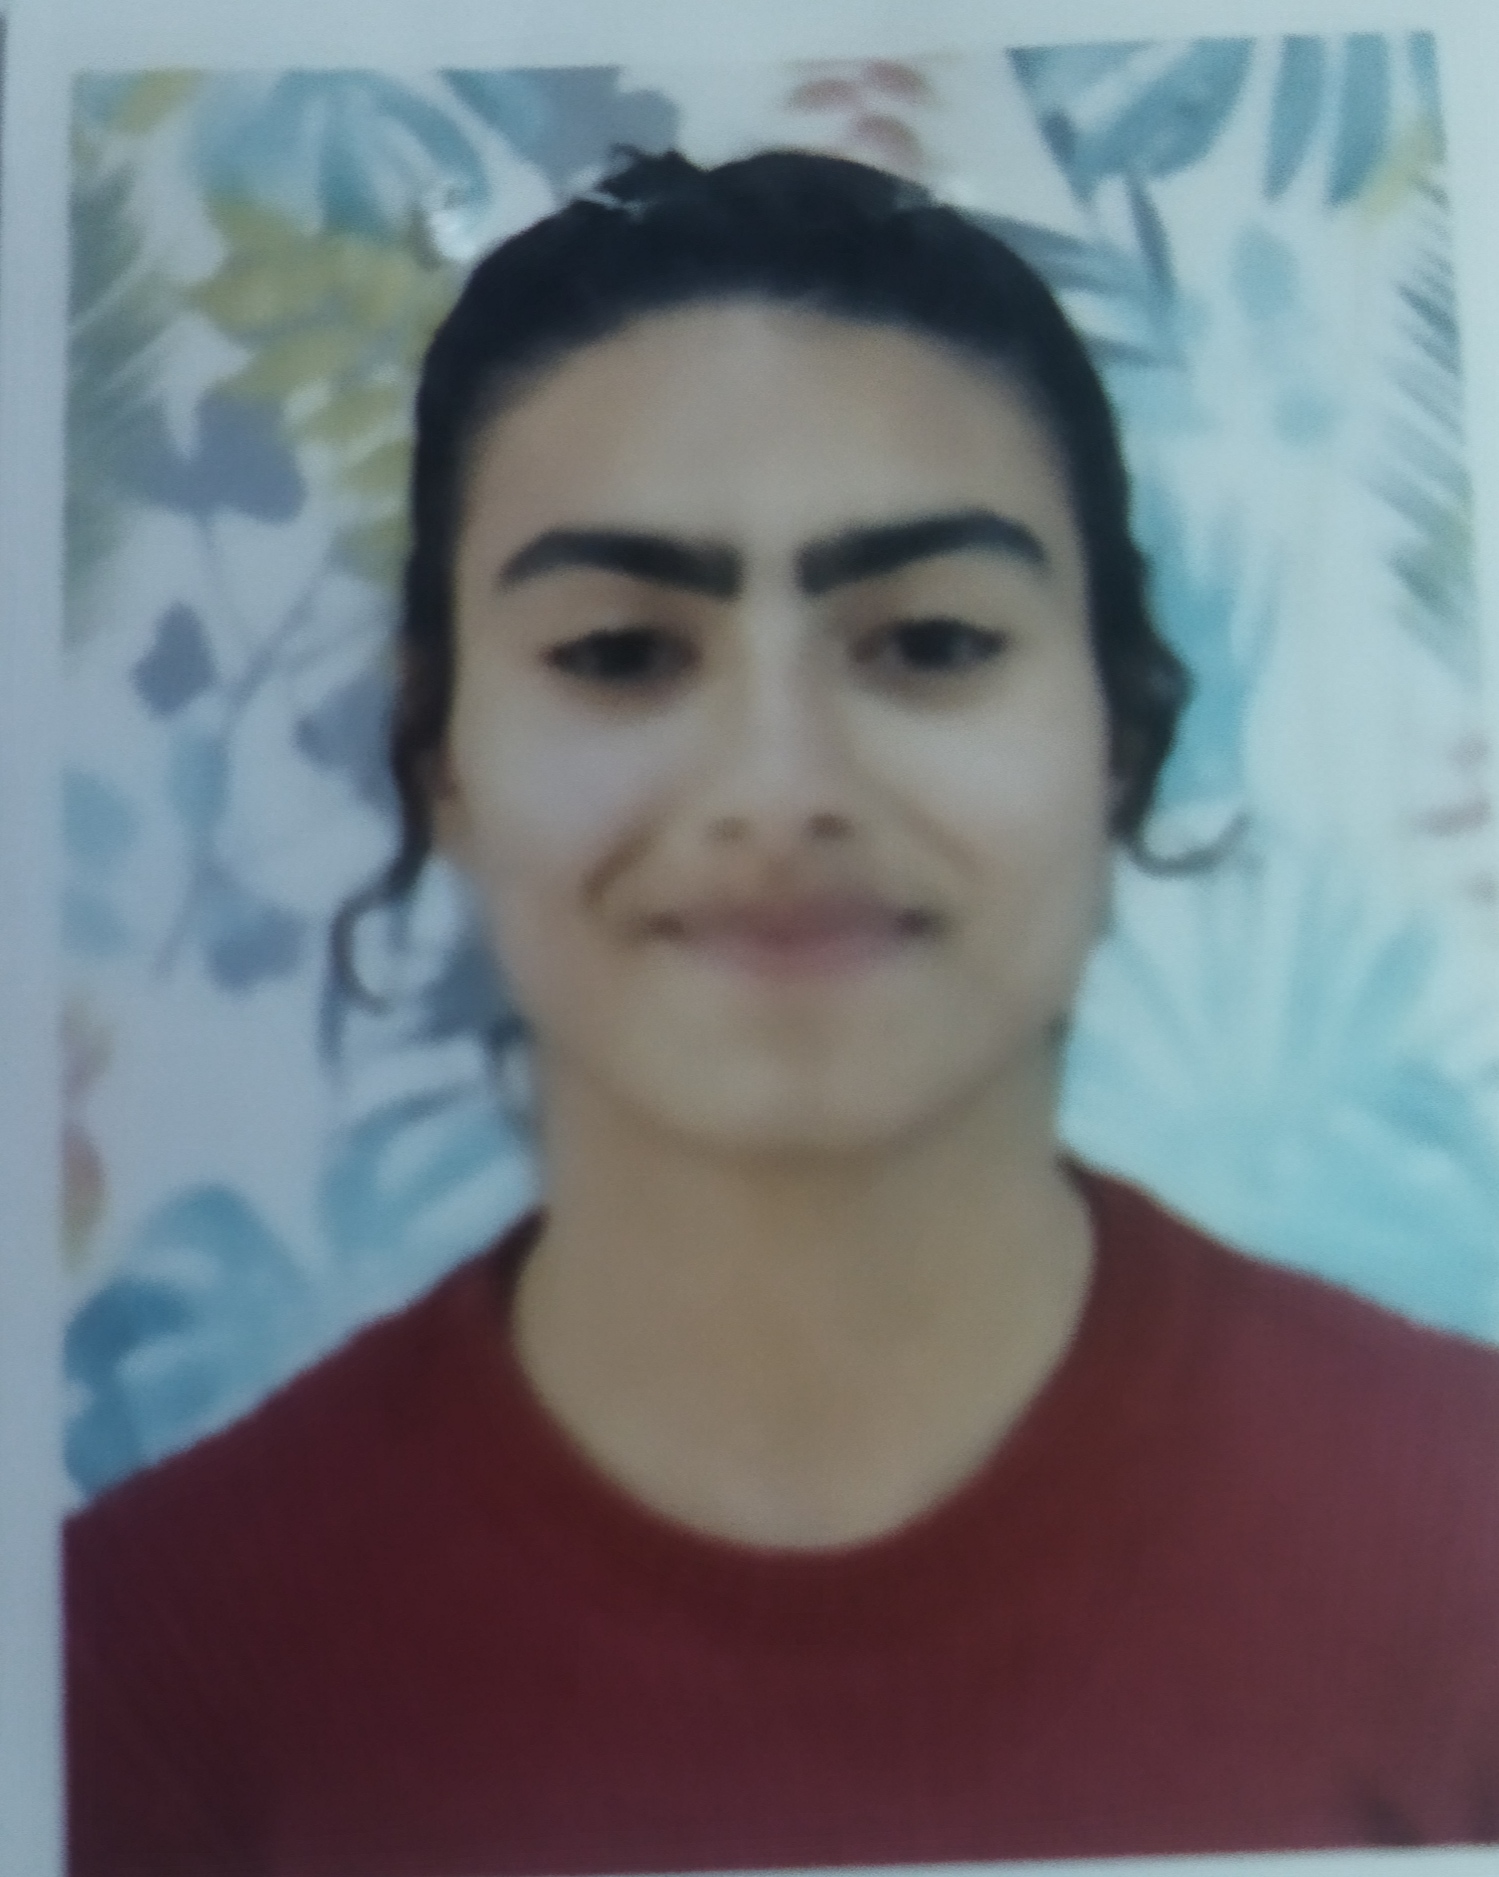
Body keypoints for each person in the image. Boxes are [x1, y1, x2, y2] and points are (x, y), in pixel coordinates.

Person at [66, 148, 1499, 1877]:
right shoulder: (133, 1671)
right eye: (620, 651)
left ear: (1119, 726)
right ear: (439, 748)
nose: (776, 785)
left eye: (932, 641)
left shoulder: (1464, 1537)